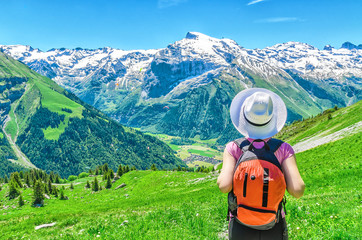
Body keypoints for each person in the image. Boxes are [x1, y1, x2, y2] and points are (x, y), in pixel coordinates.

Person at [217, 88, 305, 240]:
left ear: (243, 117)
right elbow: (297, 190)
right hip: (274, 223)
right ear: (272, 119)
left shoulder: (233, 147)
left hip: (240, 223)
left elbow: (224, 186)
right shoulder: (283, 149)